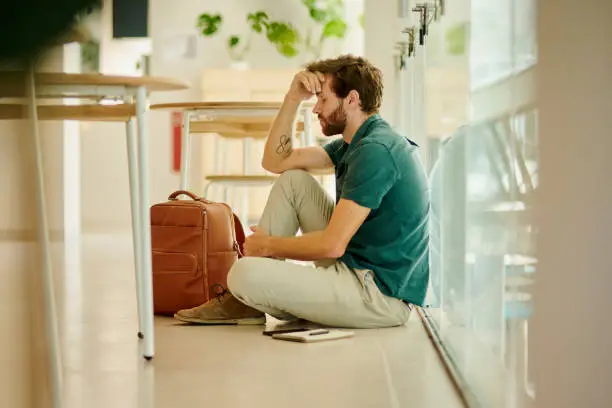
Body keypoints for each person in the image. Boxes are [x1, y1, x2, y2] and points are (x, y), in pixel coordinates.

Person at [174, 54, 430, 329]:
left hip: (378, 296)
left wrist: (266, 245)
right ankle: (249, 301)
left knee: (243, 273)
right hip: (357, 267)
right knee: (294, 181)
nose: (316, 109)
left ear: (352, 99)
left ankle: (250, 294)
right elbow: (275, 161)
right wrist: (293, 97)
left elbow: (332, 244)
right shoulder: (355, 143)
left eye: (323, 99)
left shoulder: (376, 150)